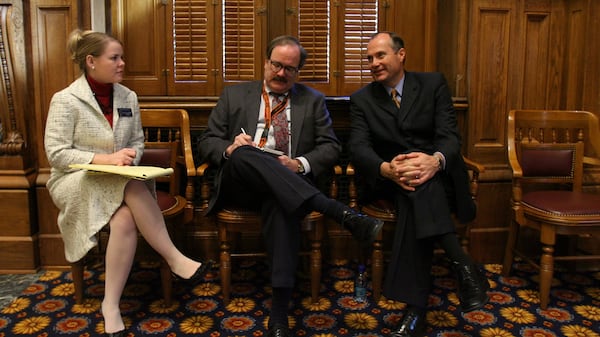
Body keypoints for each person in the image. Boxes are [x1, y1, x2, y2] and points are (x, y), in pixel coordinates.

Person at [198, 35, 383, 337]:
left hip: (289, 183)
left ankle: (279, 313)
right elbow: (206, 141)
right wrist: (231, 148)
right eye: (276, 65)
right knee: (246, 152)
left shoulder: (312, 100)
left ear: (298, 73)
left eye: (290, 69)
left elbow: (330, 147)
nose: (281, 73)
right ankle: (337, 211)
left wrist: (298, 164)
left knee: (281, 201)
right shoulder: (234, 95)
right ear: (265, 62)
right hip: (240, 183)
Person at [44, 30, 211, 337]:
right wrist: (107, 160)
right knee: (132, 187)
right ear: (91, 61)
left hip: (119, 180)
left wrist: (127, 162)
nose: (122, 63)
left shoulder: (127, 97)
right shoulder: (66, 100)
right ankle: (174, 258)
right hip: (76, 181)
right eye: (115, 57)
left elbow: (135, 141)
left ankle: (110, 305)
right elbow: (57, 155)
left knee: (124, 220)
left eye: (121, 57)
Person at [348, 32, 490, 337]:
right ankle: (464, 265)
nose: (374, 63)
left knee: (421, 190)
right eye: (370, 58)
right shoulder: (362, 99)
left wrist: (435, 161)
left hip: (436, 177)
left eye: (380, 55)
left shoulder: (432, 84)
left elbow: (450, 137)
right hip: (390, 180)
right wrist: (386, 169)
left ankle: (416, 310)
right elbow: (358, 147)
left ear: (401, 55)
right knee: (416, 186)